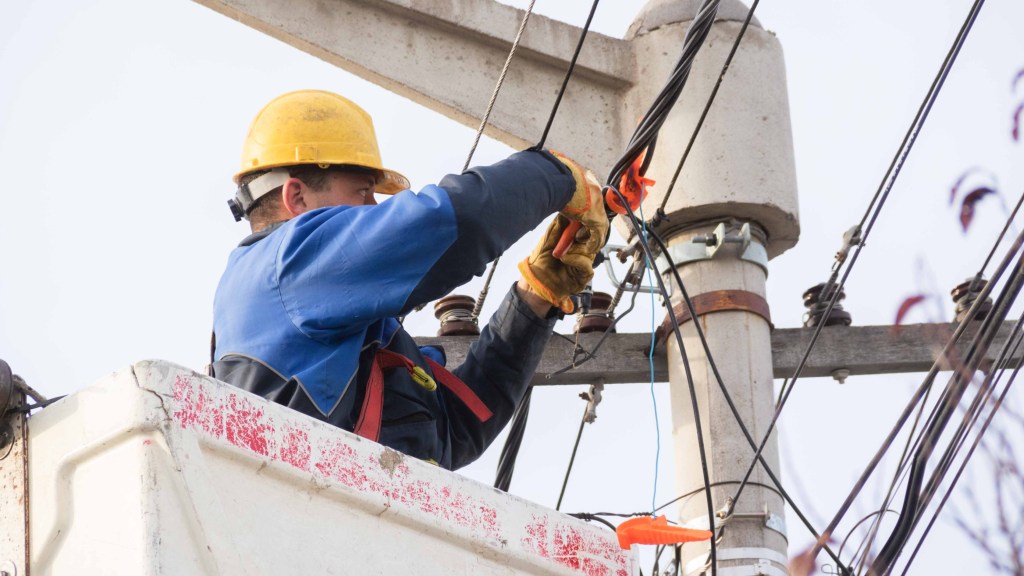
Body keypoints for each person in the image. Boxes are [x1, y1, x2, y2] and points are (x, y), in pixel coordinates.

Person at [210, 89, 607, 471]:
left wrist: (535, 298)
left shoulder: (340, 327)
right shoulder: (284, 264)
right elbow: (455, 220)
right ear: (297, 198)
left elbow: (456, 428)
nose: (373, 208)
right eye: (363, 191)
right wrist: (557, 174)